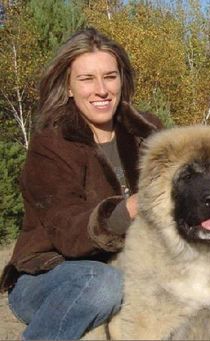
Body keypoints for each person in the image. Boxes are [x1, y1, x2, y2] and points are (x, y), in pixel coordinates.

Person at [0, 27, 163, 340]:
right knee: (102, 284)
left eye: (110, 76)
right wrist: (129, 208)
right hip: (50, 275)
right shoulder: (51, 143)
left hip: (133, 267)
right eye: (87, 79)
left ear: (121, 80)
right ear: (69, 87)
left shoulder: (149, 130)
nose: (101, 90)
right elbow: (69, 231)